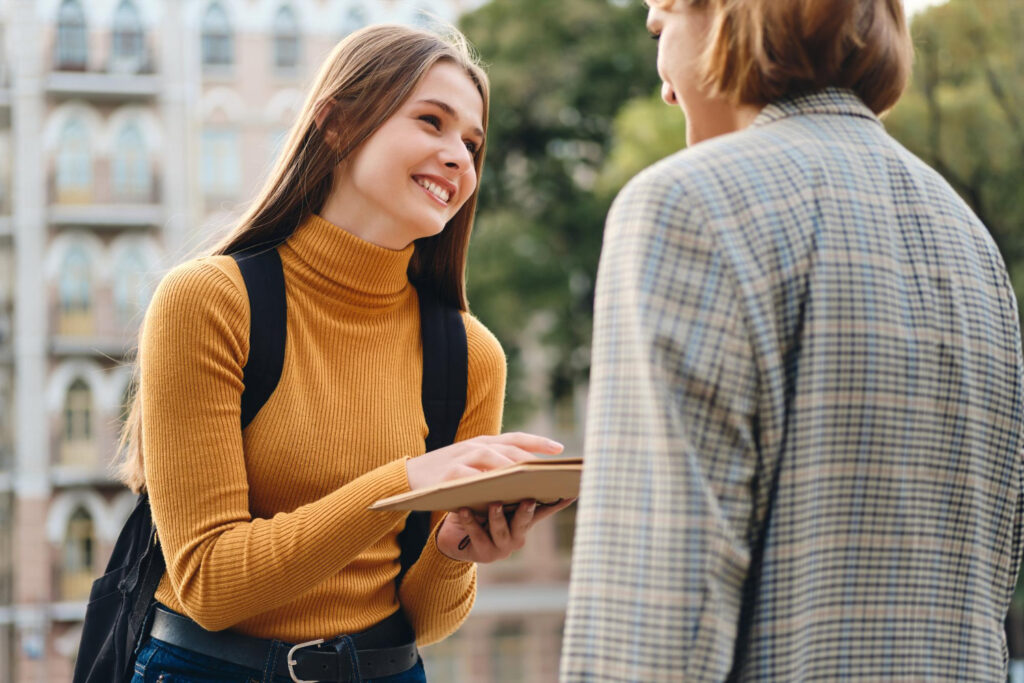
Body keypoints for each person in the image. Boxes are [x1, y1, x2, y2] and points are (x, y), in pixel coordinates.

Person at [562, 0, 1024, 680]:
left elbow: (656, 618)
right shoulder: (971, 243)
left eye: (661, 26)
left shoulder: (685, 204)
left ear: (724, 16)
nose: (661, 79)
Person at [117, 24, 571, 683]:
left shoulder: (471, 353)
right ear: (336, 123)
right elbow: (210, 580)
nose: (458, 158)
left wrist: (453, 548)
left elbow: (427, 618)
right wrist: (408, 481)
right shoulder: (208, 301)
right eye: (432, 121)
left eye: (472, 144)